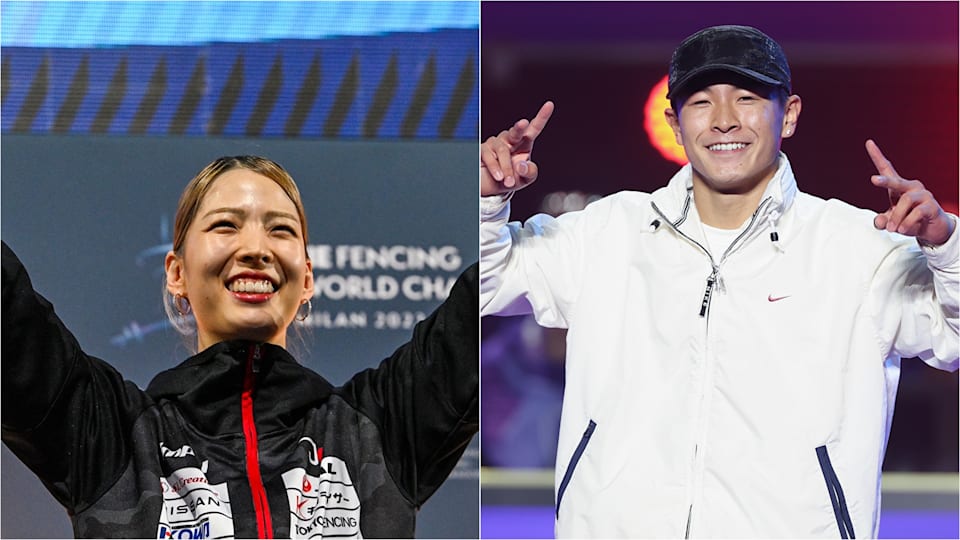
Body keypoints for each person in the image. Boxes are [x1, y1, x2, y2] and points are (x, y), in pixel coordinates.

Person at [479, 25, 958, 538]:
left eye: (747, 98)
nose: (724, 119)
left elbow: (951, 338)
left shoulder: (857, 248)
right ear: (675, 123)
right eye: (702, 101)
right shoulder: (607, 233)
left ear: (789, 114)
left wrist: (947, 245)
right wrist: (487, 200)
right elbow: (486, 283)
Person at [2, 156, 478, 538]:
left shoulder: (375, 429)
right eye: (226, 226)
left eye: (280, 230)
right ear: (177, 273)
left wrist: (495, 209)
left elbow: (482, 308)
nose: (255, 248)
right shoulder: (112, 436)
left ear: (307, 279)